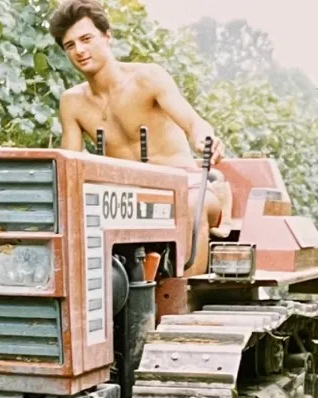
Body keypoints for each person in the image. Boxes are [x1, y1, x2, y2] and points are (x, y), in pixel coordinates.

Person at [49, 0, 231, 241]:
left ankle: (186, 267)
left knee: (186, 207)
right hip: (122, 198)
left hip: (184, 184)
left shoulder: (147, 77)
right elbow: (68, 166)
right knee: (72, 217)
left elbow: (193, 123)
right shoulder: (72, 102)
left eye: (86, 39)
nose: (79, 50)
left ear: (107, 37)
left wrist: (205, 140)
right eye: (70, 45)